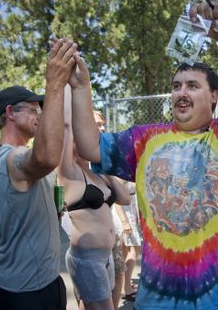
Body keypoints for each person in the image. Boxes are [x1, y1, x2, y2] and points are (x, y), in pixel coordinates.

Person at [70, 0, 218, 310]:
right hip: (158, 299)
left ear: (213, 96)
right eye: (176, 86)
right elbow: (90, 147)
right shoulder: (144, 139)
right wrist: (81, 89)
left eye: (193, 86)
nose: (181, 92)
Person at [0, 38, 77, 310]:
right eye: (34, 109)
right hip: (30, 292)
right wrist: (55, 83)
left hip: (19, 283)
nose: (39, 115)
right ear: (10, 113)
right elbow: (46, 158)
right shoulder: (10, 158)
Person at [57, 85, 130, 310]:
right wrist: (70, 85)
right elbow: (68, 125)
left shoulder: (96, 173)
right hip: (86, 259)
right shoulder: (68, 171)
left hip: (105, 255)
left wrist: (105, 168)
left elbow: (125, 199)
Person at [93, 110, 130, 308]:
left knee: (118, 272)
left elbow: (123, 197)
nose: (102, 128)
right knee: (92, 292)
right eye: (97, 124)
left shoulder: (105, 158)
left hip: (112, 229)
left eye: (102, 124)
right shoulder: (76, 159)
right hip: (88, 241)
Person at [119, 182, 141, 301]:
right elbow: (117, 198)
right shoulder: (120, 170)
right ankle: (126, 287)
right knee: (135, 248)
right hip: (125, 212)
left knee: (125, 250)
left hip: (131, 208)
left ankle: (124, 283)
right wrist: (124, 221)